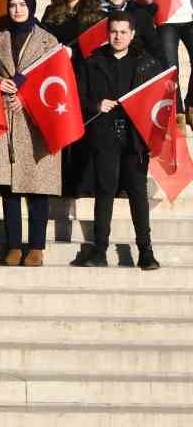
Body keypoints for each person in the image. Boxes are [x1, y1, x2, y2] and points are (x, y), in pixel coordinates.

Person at [78, 14, 165, 269]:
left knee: (138, 193)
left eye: (123, 32)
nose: (118, 37)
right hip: (105, 135)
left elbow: (159, 97)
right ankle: (99, 249)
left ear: (133, 34)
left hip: (135, 137)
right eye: (114, 31)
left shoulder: (147, 63)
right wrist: (96, 104)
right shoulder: (93, 62)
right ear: (108, 33)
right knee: (105, 190)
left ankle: (145, 251)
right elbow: (78, 96)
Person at [0, 0, 64, 266]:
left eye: (22, 4)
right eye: (12, 4)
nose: (17, 9)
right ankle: (12, 246)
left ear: (32, 7)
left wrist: (26, 97)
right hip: (7, 119)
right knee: (10, 187)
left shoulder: (49, 41)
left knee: (37, 188)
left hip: (38, 122)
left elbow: (57, 81)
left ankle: (36, 246)